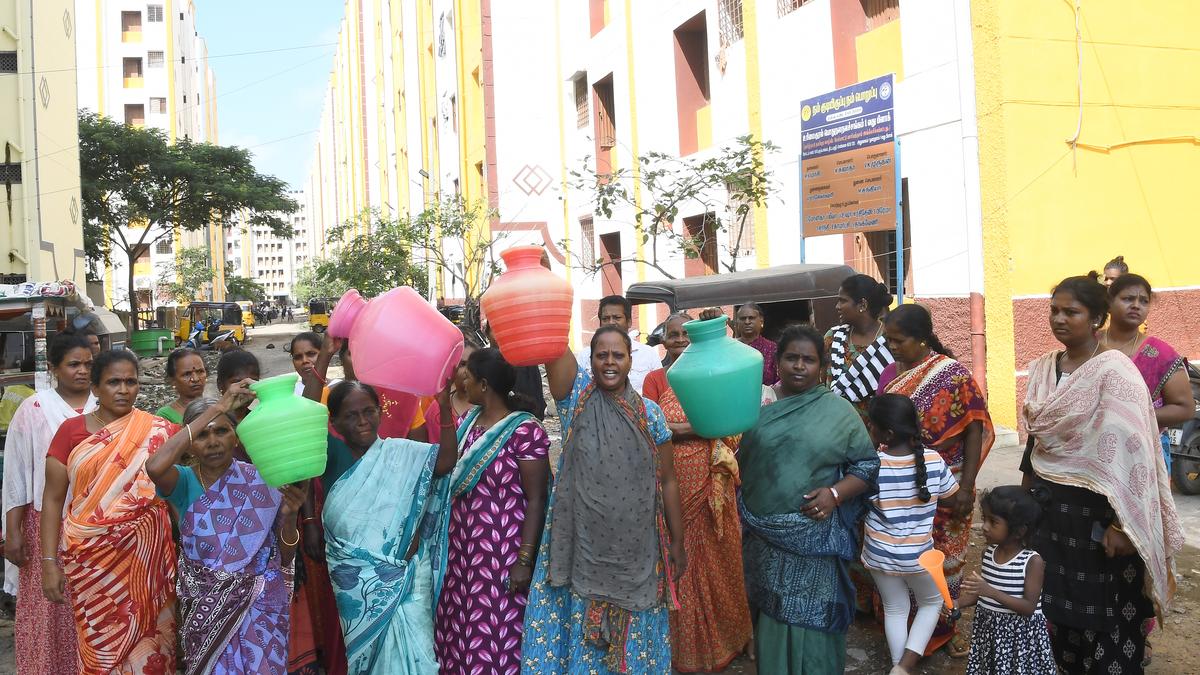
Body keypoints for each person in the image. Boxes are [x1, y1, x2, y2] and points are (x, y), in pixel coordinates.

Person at [1021, 273, 1183, 673]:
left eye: (1070, 312)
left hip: (1102, 521)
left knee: (1110, 620)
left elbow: (1135, 455)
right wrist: (1024, 508)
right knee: (1058, 612)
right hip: (1053, 515)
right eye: (1054, 311)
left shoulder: (1116, 372)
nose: (1059, 319)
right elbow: (1036, 445)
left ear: (1096, 318)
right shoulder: (1044, 369)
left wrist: (1123, 525)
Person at [522, 325, 686, 673]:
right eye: (601, 355)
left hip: (639, 555)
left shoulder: (651, 414)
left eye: (618, 355)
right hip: (584, 551)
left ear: (631, 360)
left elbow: (668, 481)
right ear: (590, 361)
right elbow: (554, 345)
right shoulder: (576, 398)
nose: (609, 362)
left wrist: (678, 541)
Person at [737, 325, 880, 673]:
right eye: (791, 358)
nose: (799, 366)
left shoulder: (838, 411)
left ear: (821, 367)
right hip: (763, 533)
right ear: (778, 361)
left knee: (814, 617)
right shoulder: (756, 403)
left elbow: (867, 464)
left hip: (815, 535)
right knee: (772, 610)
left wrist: (834, 494)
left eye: (808, 360)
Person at [302, 374, 459, 674]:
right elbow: (305, 417)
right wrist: (324, 354)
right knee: (368, 658)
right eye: (351, 415)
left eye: (369, 411)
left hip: (406, 578)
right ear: (333, 423)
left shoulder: (401, 452)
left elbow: (445, 462)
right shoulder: (331, 453)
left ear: (379, 412)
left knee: (419, 656)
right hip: (358, 582)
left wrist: (444, 408)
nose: (362, 421)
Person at [145, 391, 309, 674]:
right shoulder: (183, 482)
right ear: (191, 444)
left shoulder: (262, 479)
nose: (213, 442)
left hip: (259, 606)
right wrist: (218, 407)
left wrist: (291, 515)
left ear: (236, 436)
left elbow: (285, 555)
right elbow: (155, 466)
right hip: (205, 611)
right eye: (202, 435)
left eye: (222, 431)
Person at [39, 350, 177, 673]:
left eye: (131, 381)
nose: (124, 389)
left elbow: (180, 486)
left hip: (146, 561)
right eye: (114, 382)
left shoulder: (155, 430)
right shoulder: (70, 433)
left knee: (155, 643)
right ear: (96, 389)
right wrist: (48, 563)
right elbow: (52, 499)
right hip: (92, 566)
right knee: (101, 648)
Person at [877, 303, 994, 657]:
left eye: (898, 340)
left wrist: (968, 487)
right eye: (888, 340)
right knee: (905, 558)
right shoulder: (893, 375)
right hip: (902, 482)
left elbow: (974, 425)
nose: (892, 347)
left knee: (946, 560)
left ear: (922, 339)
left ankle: (945, 629)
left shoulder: (952, 375)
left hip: (949, 484)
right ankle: (911, 636)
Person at [642, 313, 752, 673]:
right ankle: (685, 649)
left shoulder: (715, 370)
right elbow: (650, 425)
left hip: (712, 480)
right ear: (664, 340)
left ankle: (729, 637)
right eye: (673, 336)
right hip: (674, 480)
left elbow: (732, 420)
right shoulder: (657, 378)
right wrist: (702, 426)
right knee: (679, 560)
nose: (680, 342)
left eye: (686, 336)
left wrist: (687, 428)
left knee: (722, 556)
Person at [431, 348, 551, 673]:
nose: (460, 380)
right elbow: (446, 470)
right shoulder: (467, 422)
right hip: (461, 555)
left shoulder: (525, 431)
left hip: (501, 556)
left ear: (484, 384)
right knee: (459, 633)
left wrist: (524, 560)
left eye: (466, 375)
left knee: (496, 635)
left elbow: (537, 499)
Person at [2, 334, 95, 675]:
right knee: (49, 609)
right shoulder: (35, 409)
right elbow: (15, 473)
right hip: (47, 526)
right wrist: (12, 532)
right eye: (73, 364)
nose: (82, 371)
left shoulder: (106, 405)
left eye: (88, 364)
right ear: (55, 368)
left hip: (98, 527)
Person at [862, 394, 960, 675]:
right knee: (931, 602)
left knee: (895, 608)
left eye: (872, 426)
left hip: (880, 554)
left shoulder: (872, 465)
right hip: (919, 556)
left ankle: (898, 666)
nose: (870, 431)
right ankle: (905, 666)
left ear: (887, 434)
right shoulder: (932, 460)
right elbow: (951, 497)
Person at [960, 486, 1056, 675]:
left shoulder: (1032, 562)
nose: (985, 526)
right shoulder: (987, 554)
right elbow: (983, 595)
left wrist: (990, 591)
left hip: (1019, 640)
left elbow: (1028, 607)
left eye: (993, 522)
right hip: (990, 634)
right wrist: (957, 603)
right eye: (985, 518)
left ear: (1019, 531)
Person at [1102, 273, 1193, 473]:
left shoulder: (1160, 353)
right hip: (1092, 451)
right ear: (1109, 303)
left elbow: (1185, 408)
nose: (1136, 305)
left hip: (1143, 455)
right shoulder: (1089, 344)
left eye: (1143, 301)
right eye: (1127, 299)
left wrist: (1128, 416)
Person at [825, 274, 894, 418]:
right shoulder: (833, 337)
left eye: (842, 301)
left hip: (877, 431)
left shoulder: (890, 341)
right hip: (833, 423)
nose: (837, 307)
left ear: (862, 305)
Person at [574, 295, 661, 394]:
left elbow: (660, 390)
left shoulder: (648, 354)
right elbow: (578, 391)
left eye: (617, 318)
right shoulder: (585, 355)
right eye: (605, 318)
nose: (611, 322)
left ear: (629, 322)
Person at [156, 348, 207, 424]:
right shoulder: (165, 416)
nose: (195, 379)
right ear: (172, 381)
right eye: (187, 374)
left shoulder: (216, 407)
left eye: (200, 371)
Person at [734, 302, 778, 385]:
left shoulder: (772, 348)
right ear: (737, 322)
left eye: (751, 318)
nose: (747, 322)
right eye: (743, 318)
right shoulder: (730, 348)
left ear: (761, 320)